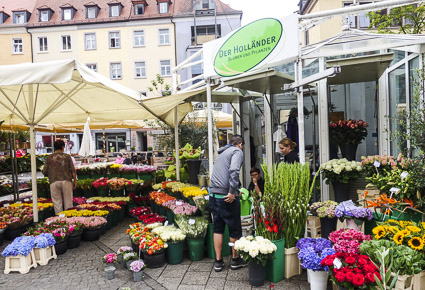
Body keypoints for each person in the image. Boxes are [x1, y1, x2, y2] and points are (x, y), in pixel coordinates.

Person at [209, 134, 246, 272]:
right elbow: (234, 170)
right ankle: (235, 260)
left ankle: (218, 262)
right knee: (234, 228)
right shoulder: (237, 151)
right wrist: (232, 191)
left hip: (213, 195)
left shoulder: (223, 153)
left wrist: (237, 188)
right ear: (240, 144)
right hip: (226, 197)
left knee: (218, 228)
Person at [42, 140, 76, 215]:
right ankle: (69, 219)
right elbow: (73, 170)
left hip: (54, 181)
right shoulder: (67, 157)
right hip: (66, 180)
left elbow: (44, 171)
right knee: (68, 202)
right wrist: (75, 182)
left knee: (57, 203)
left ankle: (60, 220)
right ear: (63, 147)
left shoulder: (49, 158)